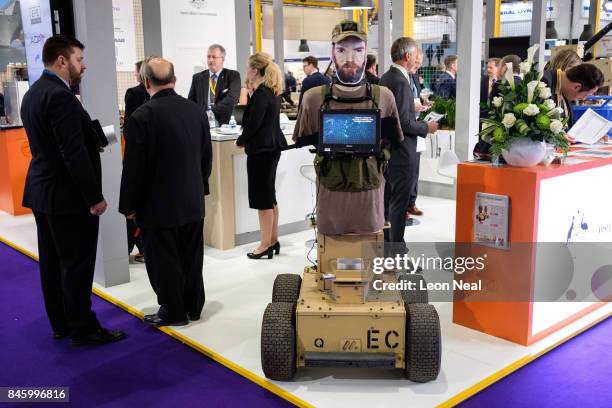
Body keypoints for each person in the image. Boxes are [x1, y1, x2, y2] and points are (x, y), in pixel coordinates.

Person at [20, 35, 126, 345]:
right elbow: (72, 153)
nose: (84, 65)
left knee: (53, 263)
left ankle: (62, 322)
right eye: (79, 59)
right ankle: (83, 327)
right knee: (77, 264)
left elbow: (57, 144)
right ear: (62, 61)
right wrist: (94, 197)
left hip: (43, 192)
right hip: (67, 197)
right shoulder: (61, 96)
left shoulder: (35, 92)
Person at [119, 57, 212, 326]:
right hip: (192, 199)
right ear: (174, 79)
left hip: (157, 204)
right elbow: (206, 158)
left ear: (145, 81)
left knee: (163, 260)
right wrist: (200, 186)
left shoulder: (141, 117)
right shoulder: (195, 111)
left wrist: (129, 206)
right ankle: (193, 306)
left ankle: (173, 311)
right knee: (191, 257)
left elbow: (134, 168)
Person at [293, 20, 403, 236]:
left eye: (358, 50)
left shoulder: (385, 97)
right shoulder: (312, 99)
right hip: (330, 209)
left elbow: (396, 145)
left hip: (370, 208)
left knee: (369, 266)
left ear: (366, 53)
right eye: (342, 50)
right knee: (331, 264)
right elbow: (303, 140)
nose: (350, 59)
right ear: (332, 52)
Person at [380, 37, 438, 248]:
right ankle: (397, 247)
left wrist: (411, 112)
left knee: (388, 200)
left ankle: (387, 244)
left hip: (389, 150)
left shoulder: (387, 77)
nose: (419, 61)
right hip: (403, 151)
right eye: (417, 56)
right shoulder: (401, 81)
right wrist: (426, 128)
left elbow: (394, 115)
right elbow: (404, 124)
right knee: (399, 202)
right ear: (407, 56)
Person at [236, 53, 287, 259]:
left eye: (248, 67)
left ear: (255, 70)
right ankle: (272, 240)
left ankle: (265, 244)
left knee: (262, 199)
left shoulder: (261, 94)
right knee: (269, 196)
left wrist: (241, 140)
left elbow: (253, 124)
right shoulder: (272, 92)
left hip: (261, 150)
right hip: (271, 149)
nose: (246, 71)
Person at [123, 59, 149, 263]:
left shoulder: (134, 94)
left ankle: (132, 246)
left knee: (135, 211)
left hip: (140, 158)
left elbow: (130, 130)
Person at [542, 63, 604, 133]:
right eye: (586, 95)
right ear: (577, 87)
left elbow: (569, 125)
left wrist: (592, 133)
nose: (583, 98)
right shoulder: (544, 83)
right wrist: (560, 136)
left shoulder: (566, 91)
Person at [188, 44, 241, 125]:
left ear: (222, 59)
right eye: (208, 57)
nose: (210, 60)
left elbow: (232, 98)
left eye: (214, 57)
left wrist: (211, 112)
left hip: (225, 123)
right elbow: (191, 101)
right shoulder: (198, 77)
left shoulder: (232, 75)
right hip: (202, 122)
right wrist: (200, 115)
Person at [406, 47, 429, 217]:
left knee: (415, 168)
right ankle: (401, 205)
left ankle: (411, 202)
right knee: (405, 170)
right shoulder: (397, 78)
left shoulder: (413, 75)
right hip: (406, 128)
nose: (418, 66)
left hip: (417, 122)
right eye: (417, 62)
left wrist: (422, 105)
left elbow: (415, 96)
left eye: (420, 64)